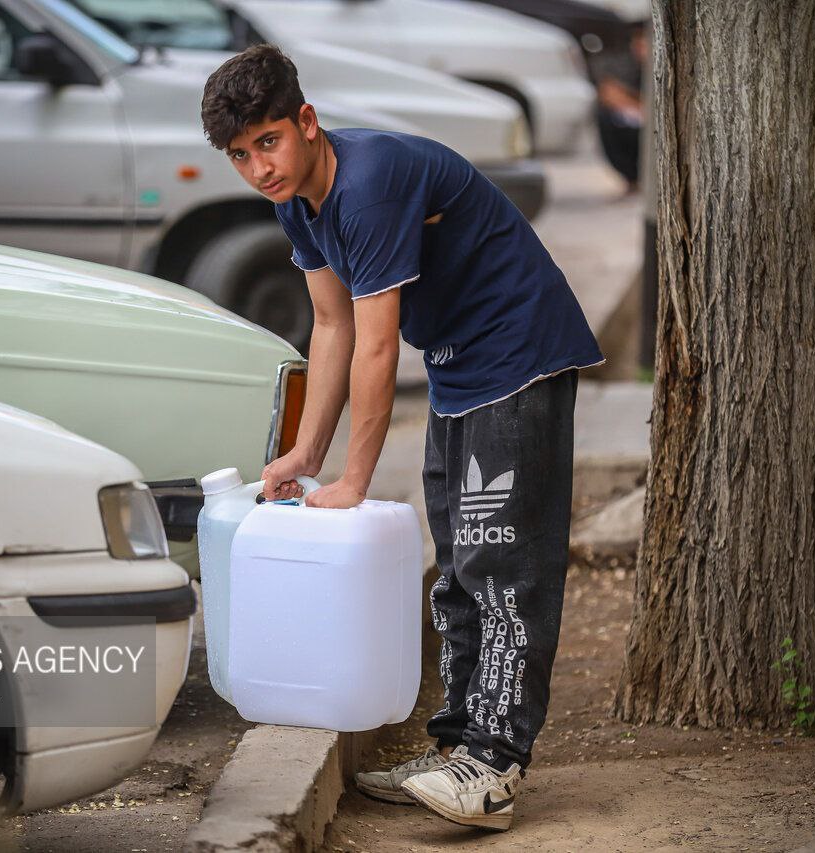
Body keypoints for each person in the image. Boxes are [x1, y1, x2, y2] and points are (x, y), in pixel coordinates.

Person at [200, 44, 603, 832]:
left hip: (518, 353)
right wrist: (307, 455)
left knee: (500, 566)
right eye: (240, 155)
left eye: (268, 142)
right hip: (461, 363)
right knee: (457, 567)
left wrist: (355, 478)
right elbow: (331, 324)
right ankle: (456, 746)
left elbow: (379, 346)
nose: (258, 168)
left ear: (306, 121)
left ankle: (494, 767)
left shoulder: (369, 185)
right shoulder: (298, 200)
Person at [592, 20, 648, 191]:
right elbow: (608, 91)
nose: (638, 46)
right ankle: (632, 178)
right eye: (636, 41)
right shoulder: (628, 64)